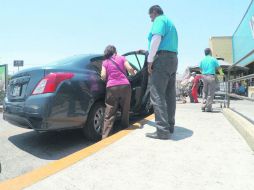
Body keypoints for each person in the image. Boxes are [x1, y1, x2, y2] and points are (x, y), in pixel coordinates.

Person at [145, 5, 178, 140]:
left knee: (157, 94)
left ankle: (162, 131)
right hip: (173, 59)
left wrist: (150, 60)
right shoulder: (170, 23)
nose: (151, 20)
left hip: (161, 59)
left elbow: (156, 38)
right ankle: (169, 126)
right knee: (170, 95)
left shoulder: (159, 20)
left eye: (151, 16)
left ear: (154, 12)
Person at [101, 45, 136, 139]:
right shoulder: (122, 58)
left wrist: (106, 79)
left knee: (109, 112)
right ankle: (124, 131)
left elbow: (103, 75)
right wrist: (134, 73)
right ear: (115, 51)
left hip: (111, 87)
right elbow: (130, 69)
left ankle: (106, 137)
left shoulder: (105, 62)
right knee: (125, 110)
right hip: (125, 86)